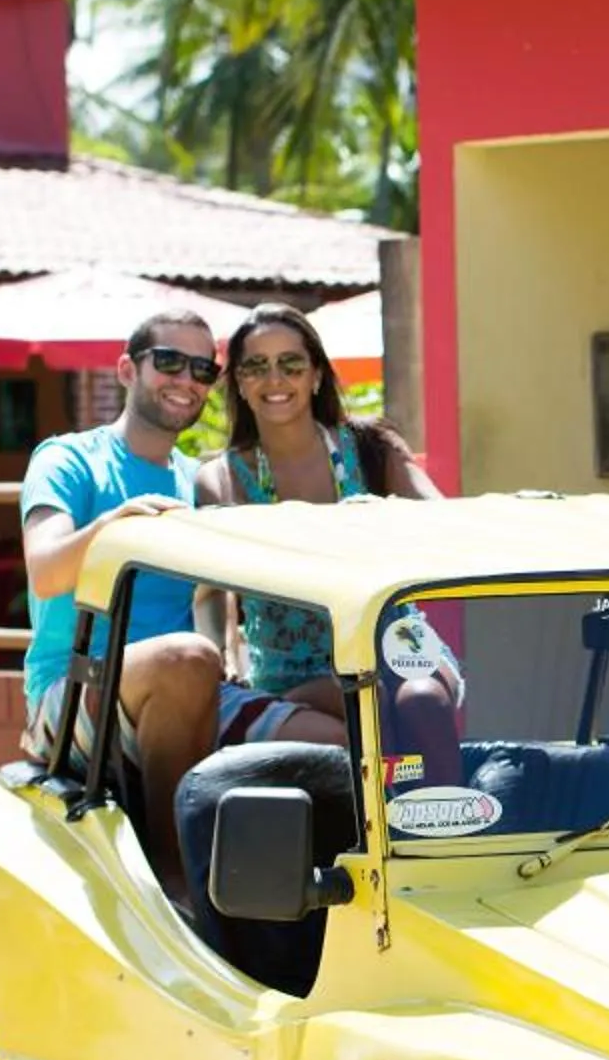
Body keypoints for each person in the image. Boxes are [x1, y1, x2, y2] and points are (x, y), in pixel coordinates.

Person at [21, 309, 255, 887]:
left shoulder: (194, 479)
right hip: (73, 691)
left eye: (203, 369)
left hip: (186, 686)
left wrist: (236, 658)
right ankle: (175, 889)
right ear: (128, 369)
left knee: (330, 726)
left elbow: (211, 594)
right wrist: (113, 526)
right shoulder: (68, 459)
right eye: (169, 362)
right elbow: (47, 571)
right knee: (184, 660)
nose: (187, 380)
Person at [194, 304, 462, 783]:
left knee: (422, 701)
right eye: (256, 366)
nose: (275, 379)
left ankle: (453, 828)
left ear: (316, 374)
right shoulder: (221, 479)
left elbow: (439, 516)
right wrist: (222, 658)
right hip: (290, 670)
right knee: (365, 708)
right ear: (238, 382)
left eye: (291, 364)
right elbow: (210, 586)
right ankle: (383, 833)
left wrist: (386, 514)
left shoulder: (370, 447)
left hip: (396, 644)